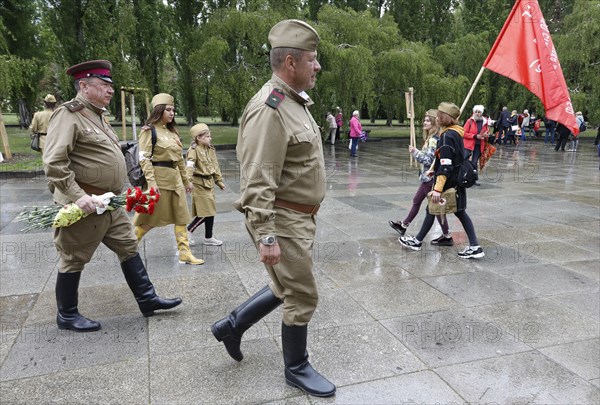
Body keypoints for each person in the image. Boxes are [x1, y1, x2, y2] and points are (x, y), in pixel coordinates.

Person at [210, 19, 335, 398]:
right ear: (291, 63)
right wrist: (267, 234)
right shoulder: (271, 107)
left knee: (284, 286)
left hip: (298, 215)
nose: (317, 67)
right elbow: (258, 179)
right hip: (282, 219)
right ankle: (296, 367)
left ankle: (232, 325)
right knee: (301, 294)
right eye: (312, 60)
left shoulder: (292, 101)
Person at [43, 60, 182, 332]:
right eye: (104, 85)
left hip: (109, 202)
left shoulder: (98, 114)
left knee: (128, 245)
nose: (110, 90)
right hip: (84, 205)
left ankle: (147, 299)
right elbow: (54, 162)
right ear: (84, 86)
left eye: (110, 85)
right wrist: (77, 196)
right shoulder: (68, 114)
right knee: (73, 257)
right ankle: (67, 314)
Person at [399, 102, 485, 259]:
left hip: (447, 182)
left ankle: (418, 241)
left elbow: (446, 165)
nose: (436, 118)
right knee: (449, 211)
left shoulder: (446, 136)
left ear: (444, 118)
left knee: (434, 209)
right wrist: (434, 169)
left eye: (439, 115)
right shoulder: (456, 133)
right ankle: (474, 246)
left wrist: (438, 188)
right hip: (455, 180)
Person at [132, 93, 203, 265]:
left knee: (181, 217)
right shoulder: (149, 131)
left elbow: (179, 159)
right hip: (159, 181)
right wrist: (152, 183)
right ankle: (128, 248)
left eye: (173, 110)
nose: (172, 113)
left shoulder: (172, 132)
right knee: (149, 220)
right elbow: (144, 159)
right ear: (159, 110)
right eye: (168, 110)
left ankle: (184, 253)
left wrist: (186, 181)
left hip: (175, 181)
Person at [388, 109, 452, 245]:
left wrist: (415, 152)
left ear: (435, 123)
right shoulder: (431, 138)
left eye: (428, 120)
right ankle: (404, 225)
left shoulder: (434, 140)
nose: (425, 122)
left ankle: (446, 235)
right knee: (419, 201)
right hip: (427, 178)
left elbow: (429, 160)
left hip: (430, 179)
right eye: (425, 120)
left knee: (435, 209)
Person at [185, 123, 226, 246]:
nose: (210, 138)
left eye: (209, 136)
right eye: (207, 136)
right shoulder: (193, 150)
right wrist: (188, 181)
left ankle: (208, 237)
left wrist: (219, 181)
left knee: (210, 211)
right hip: (199, 184)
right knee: (206, 212)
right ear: (199, 138)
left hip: (209, 184)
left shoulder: (210, 149)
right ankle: (188, 230)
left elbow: (215, 166)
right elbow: (189, 166)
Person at [463, 104, 488, 185]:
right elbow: (464, 133)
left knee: (474, 162)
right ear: (473, 112)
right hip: (469, 144)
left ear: (482, 113)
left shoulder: (484, 121)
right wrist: (474, 136)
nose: (477, 113)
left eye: (479, 112)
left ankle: (473, 179)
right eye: (476, 112)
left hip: (479, 144)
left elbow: (486, 131)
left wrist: (486, 134)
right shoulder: (469, 121)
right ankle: (463, 176)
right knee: (465, 160)